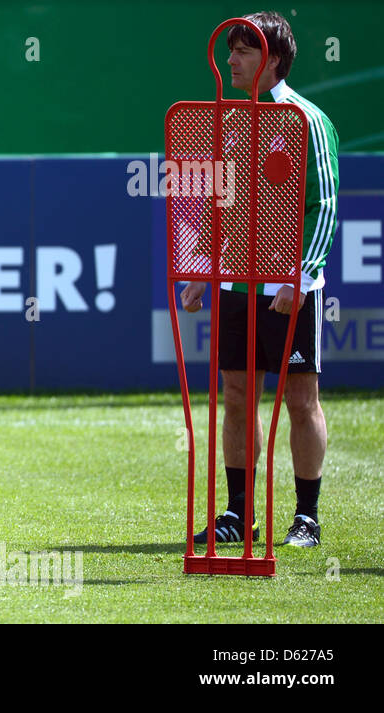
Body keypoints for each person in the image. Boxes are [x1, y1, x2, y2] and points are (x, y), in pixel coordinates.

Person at [179, 11, 339, 548]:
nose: (231, 60)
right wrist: (203, 265)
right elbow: (218, 201)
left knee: (299, 400)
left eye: (244, 51)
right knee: (237, 395)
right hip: (233, 284)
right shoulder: (228, 119)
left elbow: (326, 206)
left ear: (271, 59)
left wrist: (300, 275)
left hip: (289, 288)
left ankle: (307, 517)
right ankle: (237, 514)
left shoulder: (305, 120)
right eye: (230, 51)